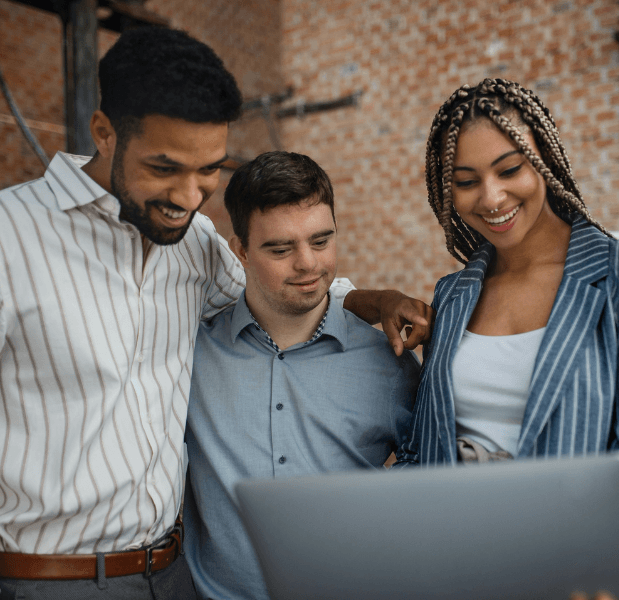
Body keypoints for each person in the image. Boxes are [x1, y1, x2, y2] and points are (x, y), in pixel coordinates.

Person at [0, 27, 430, 598]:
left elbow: (292, 289)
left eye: (208, 170)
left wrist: (374, 301)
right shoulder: (11, 235)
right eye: (165, 167)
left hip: (172, 576)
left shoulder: (195, 240)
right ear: (104, 133)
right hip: (49, 580)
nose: (187, 195)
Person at [393, 78, 619, 600]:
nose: (492, 197)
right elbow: (425, 453)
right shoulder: (453, 294)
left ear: (543, 159)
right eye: (465, 180)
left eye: (509, 170)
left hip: (576, 575)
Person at [181, 151, 420, 600]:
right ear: (241, 251)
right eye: (280, 248)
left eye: (321, 240)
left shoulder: (388, 360)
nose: (308, 264)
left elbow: (429, 472)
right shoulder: (191, 357)